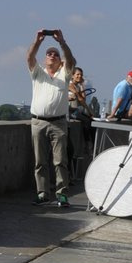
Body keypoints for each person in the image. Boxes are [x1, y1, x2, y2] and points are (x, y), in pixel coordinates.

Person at [26, 29, 77, 208]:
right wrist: (38, 41)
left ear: (59, 60)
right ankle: (42, 193)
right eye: (49, 54)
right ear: (45, 59)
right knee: (40, 161)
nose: (52, 56)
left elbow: (71, 60)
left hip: (59, 122)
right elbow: (29, 57)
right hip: (38, 121)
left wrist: (62, 42)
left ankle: (61, 194)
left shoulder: (65, 74)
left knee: (60, 161)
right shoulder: (38, 73)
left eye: (55, 54)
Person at [66, 66, 95, 178]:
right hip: (69, 111)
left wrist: (82, 86)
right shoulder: (70, 84)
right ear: (72, 75)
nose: (79, 76)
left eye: (81, 75)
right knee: (86, 121)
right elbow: (81, 100)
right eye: (77, 74)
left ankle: (91, 143)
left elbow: (82, 98)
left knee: (91, 122)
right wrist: (89, 110)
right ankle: (88, 145)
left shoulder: (78, 85)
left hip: (76, 110)